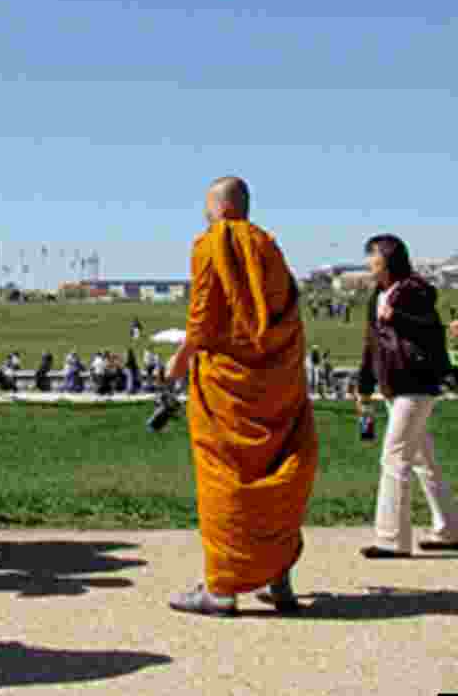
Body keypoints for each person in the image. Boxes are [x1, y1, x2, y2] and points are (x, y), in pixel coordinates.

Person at [166, 177, 318, 616]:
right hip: (278, 382)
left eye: (207, 206)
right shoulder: (270, 248)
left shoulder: (212, 243)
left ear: (219, 207)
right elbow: (288, 310)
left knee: (226, 480)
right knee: (279, 476)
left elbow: (203, 314)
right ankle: (280, 582)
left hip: (229, 388)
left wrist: (182, 358)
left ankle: (222, 589)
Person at [355, 234, 458, 557]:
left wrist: (396, 317)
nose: (368, 263)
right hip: (393, 385)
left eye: (372, 256)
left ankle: (391, 539)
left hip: (416, 383)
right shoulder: (377, 295)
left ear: (387, 258)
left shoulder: (414, 291)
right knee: (421, 459)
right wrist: (364, 386)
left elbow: (429, 329)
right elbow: (372, 343)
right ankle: (450, 529)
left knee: (394, 457)